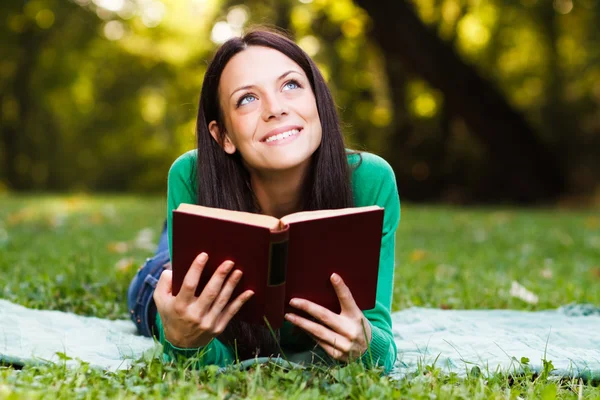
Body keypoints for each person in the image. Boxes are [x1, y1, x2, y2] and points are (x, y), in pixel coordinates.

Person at [127, 28, 400, 373]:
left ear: (317, 98)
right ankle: (170, 239)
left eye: (290, 85)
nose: (275, 109)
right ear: (223, 135)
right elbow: (202, 361)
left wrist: (364, 346)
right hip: (159, 276)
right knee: (160, 279)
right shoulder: (191, 175)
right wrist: (183, 339)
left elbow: (381, 345)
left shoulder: (370, 181)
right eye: (247, 99)